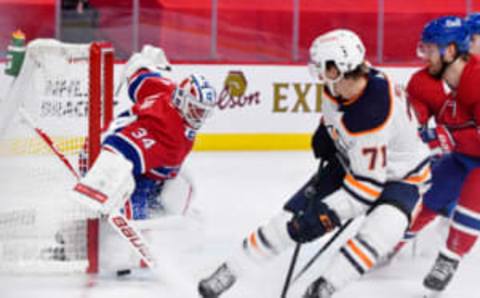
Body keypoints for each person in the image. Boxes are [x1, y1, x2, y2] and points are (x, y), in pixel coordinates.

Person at [197, 29, 431, 298]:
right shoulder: (344, 87)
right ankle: (232, 269)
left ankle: (323, 288)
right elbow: (337, 119)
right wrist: (329, 133)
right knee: (289, 220)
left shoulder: (371, 115)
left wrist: (325, 215)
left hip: (401, 177)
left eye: (324, 68)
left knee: (379, 234)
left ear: (339, 69)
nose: (319, 75)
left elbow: (367, 189)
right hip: (351, 162)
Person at [70, 45, 217, 223]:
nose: (199, 116)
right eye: (196, 109)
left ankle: (152, 213)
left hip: (136, 166)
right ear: (182, 99)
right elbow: (121, 149)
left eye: (203, 112)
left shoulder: (165, 90)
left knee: (183, 187)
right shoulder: (168, 131)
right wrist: (97, 184)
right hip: (104, 164)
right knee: (136, 219)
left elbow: (139, 76)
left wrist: (144, 60)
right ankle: (86, 232)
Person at [387, 15, 480, 294]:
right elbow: (413, 122)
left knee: (472, 197)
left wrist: (446, 136)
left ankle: (449, 259)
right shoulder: (422, 82)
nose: (424, 54)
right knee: (426, 198)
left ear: (451, 50)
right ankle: (386, 245)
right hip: (460, 157)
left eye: (430, 48)